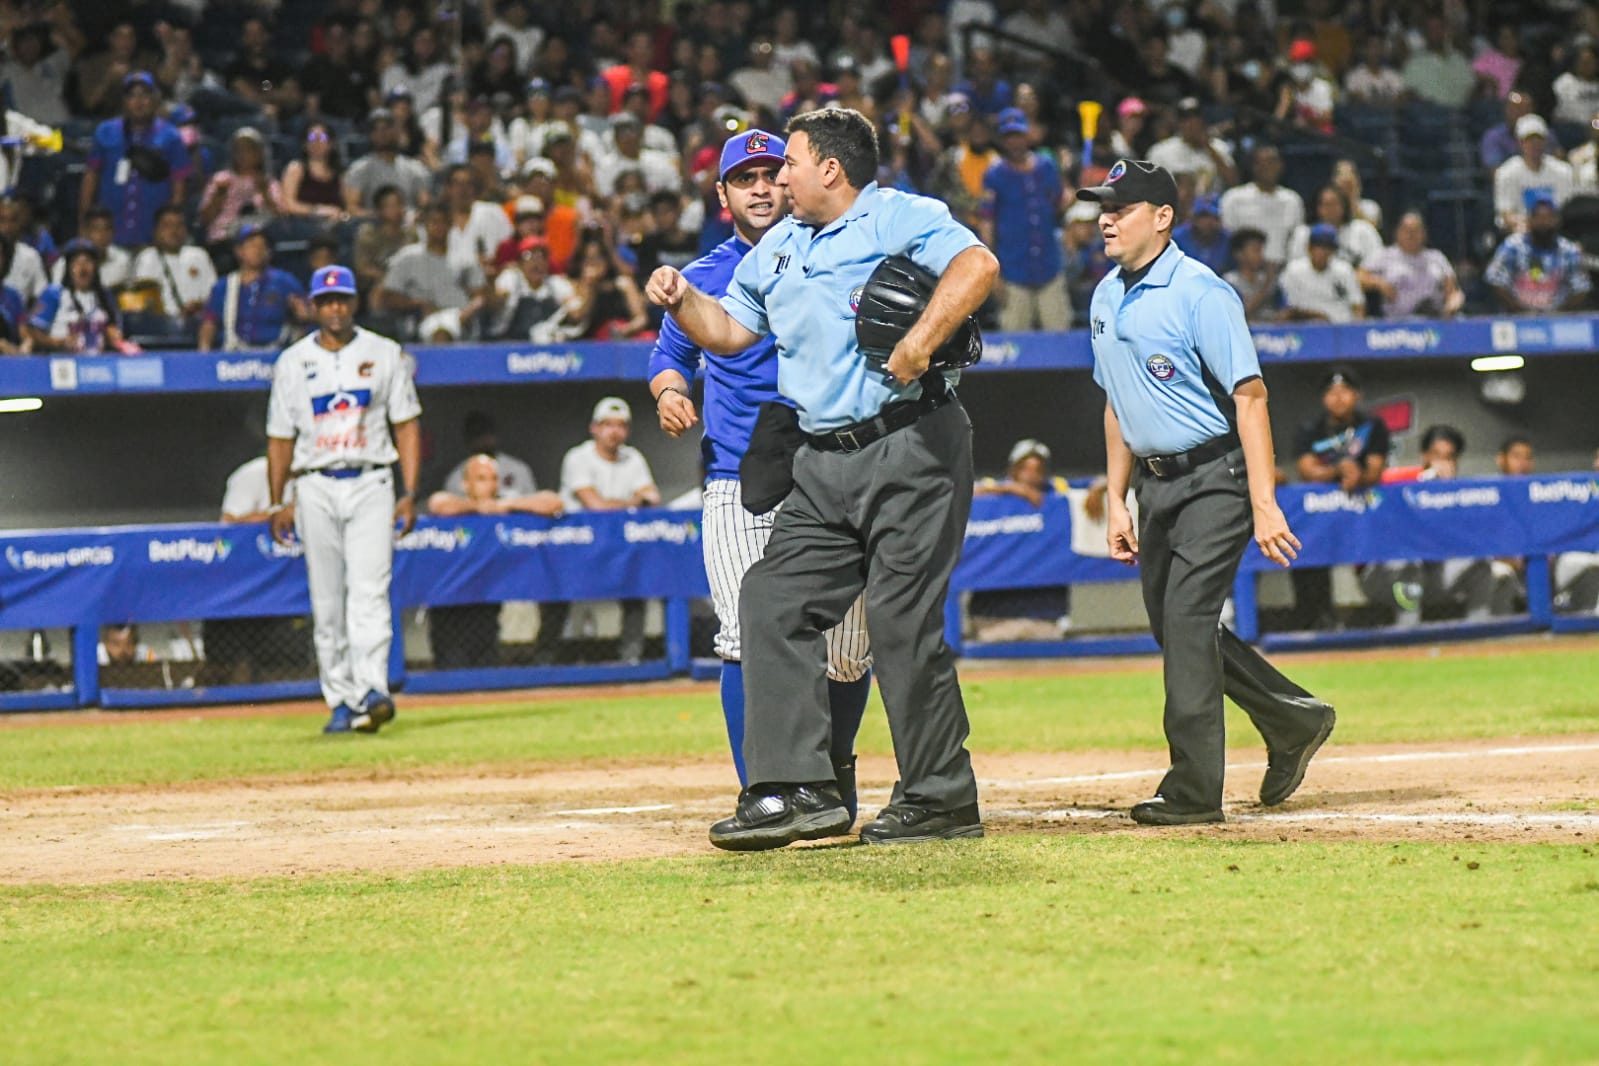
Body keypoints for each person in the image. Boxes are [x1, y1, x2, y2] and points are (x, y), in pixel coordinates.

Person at [645, 106, 998, 849]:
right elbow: (731, 331)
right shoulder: (776, 249)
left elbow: (977, 266)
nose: (779, 178)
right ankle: (798, 790)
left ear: (829, 169)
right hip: (819, 460)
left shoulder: (897, 215)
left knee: (900, 623)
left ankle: (939, 797)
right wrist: (683, 302)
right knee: (770, 599)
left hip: (910, 445)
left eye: (790, 164)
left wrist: (921, 339)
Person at [1078, 158, 1335, 826]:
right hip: (1154, 484)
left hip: (1213, 478)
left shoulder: (1201, 291)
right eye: (1101, 206)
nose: (1104, 217)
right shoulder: (1103, 293)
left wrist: (1262, 500)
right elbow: (1115, 404)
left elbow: (1249, 397)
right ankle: (1291, 719)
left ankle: (1192, 790)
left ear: (1161, 218)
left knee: (1188, 621)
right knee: (1175, 630)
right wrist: (1115, 498)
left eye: (1121, 207)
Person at [647, 127, 874, 808]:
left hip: (833, 467)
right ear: (723, 196)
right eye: (744, 179)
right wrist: (669, 393)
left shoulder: (836, 253)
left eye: (772, 174)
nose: (760, 188)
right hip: (737, 475)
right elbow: (667, 357)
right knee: (745, 634)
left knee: (846, 645)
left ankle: (832, 774)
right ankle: (765, 790)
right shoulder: (706, 274)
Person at [265, 264, 421, 734]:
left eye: (343, 299)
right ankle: (341, 699)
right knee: (327, 599)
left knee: (370, 590)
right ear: (314, 306)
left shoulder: (384, 352)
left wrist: (409, 491)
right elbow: (279, 436)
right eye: (327, 301)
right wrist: (278, 501)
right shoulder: (292, 361)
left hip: (372, 478)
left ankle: (373, 689)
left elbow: (407, 422)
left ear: (354, 302)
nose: (335, 308)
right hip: (313, 482)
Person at [425, 452, 562, 670]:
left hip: (487, 606)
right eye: (481, 479)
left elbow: (554, 502)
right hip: (450, 607)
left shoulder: (505, 504)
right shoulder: (456, 505)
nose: (489, 485)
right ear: (465, 483)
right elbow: (437, 504)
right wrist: (477, 507)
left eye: (493, 479)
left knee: (486, 663)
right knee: (452, 667)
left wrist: (508, 504)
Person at [553, 397, 660, 664]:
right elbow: (595, 504)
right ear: (594, 428)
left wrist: (629, 501)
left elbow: (653, 497)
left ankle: (631, 658)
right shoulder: (578, 456)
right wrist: (632, 502)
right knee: (555, 593)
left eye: (621, 425)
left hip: (621, 547)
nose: (614, 431)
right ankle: (550, 658)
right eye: (608, 425)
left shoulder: (632, 458)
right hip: (577, 547)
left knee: (638, 585)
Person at [1292, 364, 1390, 630]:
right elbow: (1306, 469)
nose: (1338, 398)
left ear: (1357, 395)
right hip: (1322, 509)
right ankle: (1315, 620)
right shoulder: (1311, 428)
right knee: (1308, 552)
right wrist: (1339, 469)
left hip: (1363, 507)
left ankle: (1384, 617)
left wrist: (1357, 473)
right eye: (1332, 392)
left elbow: (1375, 469)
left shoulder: (1372, 425)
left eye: (1345, 391)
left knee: (1385, 553)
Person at [969, 439, 1072, 642]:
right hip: (992, 621)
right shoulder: (993, 491)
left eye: (1038, 469)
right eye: (1024, 468)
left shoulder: (1056, 492)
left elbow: (1094, 486)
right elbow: (966, 493)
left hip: (1045, 620)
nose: (1031, 475)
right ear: (1012, 470)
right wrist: (1012, 489)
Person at [79, 71, 191, 250]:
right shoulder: (105, 131)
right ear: (124, 101)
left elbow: (179, 185)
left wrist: (170, 228)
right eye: (132, 95)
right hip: (110, 230)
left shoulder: (170, 136)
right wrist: (84, 222)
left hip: (151, 231)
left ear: (155, 99)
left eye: (145, 94)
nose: (139, 101)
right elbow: (91, 176)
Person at [981, 107, 1068, 333]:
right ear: (1001, 139)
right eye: (1009, 136)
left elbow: (1059, 204)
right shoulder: (995, 174)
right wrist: (993, 273)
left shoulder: (1046, 166)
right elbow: (987, 222)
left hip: (1049, 266)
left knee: (1059, 342)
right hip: (1012, 271)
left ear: (1027, 135)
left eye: (1018, 135)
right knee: (1013, 346)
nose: (1015, 142)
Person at [197, 226, 309, 352]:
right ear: (239, 251)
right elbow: (209, 322)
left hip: (276, 353)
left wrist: (302, 313)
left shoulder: (285, 282)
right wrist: (204, 353)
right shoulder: (224, 286)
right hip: (233, 357)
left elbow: (307, 315)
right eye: (252, 245)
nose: (258, 250)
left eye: (262, 246)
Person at [1485, 195, 1591, 312]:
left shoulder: (1568, 250)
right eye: (1538, 217)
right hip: (1516, 317)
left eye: (1548, 217)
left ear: (1557, 221)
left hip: (1559, 319)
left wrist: (1559, 313)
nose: (1543, 222)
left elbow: (1582, 287)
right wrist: (1520, 311)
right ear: (1529, 220)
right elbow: (1495, 280)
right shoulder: (1512, 246)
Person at [27, 239, 129, 354]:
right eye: (76, 262)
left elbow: (115, 329)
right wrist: (57, 342)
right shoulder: (54, 293)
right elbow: (33, 331)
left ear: (95, 267)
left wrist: (112, 335)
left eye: (88, 262)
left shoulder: (105, 296)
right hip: (61, 361)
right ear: (68, 268)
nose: (83, 268)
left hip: (100, 363)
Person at [128, 205, 216, 339]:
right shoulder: (147, 257)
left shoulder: (199, 255)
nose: (174, 231)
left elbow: (213, 295)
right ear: (156, 230)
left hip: (195, 324)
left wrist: (198, 306)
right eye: (167, 226)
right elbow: (142, 302)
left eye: (179, 225)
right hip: (158, 326)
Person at [1358, 212, 1464, 318]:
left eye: (1416, 231)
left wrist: (1453, 302)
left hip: (1434, 318)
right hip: (1397, 323)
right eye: (1407, 230)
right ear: (1397, 232)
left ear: (1424, 234)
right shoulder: (1385, 255)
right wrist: (1379, 284)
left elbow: (1452, 291)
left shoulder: (1436, 257)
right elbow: (1359, 277)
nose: (1411, 235)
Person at [1219, 145, 1304, 269]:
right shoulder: (1233, 198)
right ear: (1254, 166)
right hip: (1243, 271)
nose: (1268, 167)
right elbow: (1227, 237)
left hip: (1281, 269)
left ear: (1281, 166)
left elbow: (1297, 240)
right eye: (1262, 163)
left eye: (1272, 162)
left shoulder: (1292, 200)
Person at [1493, 115, 1575, 234]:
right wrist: (1531, 224)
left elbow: (1565, 210)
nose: (1534, 144)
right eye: (1529, 140)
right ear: (1519, 143)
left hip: (1557, 231)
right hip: (1521, 232)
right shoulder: (1506, 172)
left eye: (1538, 140)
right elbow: (1506, 213)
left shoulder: (1563, 171)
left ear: (1545, 141)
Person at [1279, 224, 1364, 323]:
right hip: (1306, 328)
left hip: (1341, 327)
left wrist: (1357, 330)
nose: (1324, 252)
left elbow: (1357, 304)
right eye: (1320, 246)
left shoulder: (1344, 270)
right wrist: (1317, 316)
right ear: (1309, 248)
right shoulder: (1294, 270)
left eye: (1329, 247)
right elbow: (1288, 309)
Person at [442, 411, 538, 498]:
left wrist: (501, 506)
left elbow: (539, 504)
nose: (484, 440)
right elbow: (441, 505)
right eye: (478, 435)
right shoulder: (456, 477)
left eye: (487, 433)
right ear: (468, 439)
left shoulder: (518, 469)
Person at [1223, 227, 1278, 322]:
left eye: (1261, 250)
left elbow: (1283, 307)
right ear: (1239, 254)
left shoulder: (1266, 279)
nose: (1260, 255)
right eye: (1255, 250)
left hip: (1271, 332)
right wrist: (1266, 286)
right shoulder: (1229, 282)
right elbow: (1241, 312)